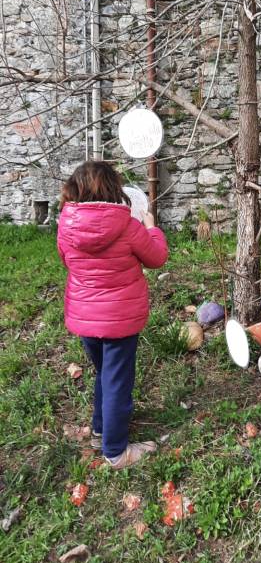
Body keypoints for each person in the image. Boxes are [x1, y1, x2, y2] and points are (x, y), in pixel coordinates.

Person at [57, 161, 168, 469]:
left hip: (84, 317)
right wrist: (152, 227)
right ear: (113, 189)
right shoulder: (129, 226)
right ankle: (116, 452)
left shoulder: (65, 225)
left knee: (105, 374)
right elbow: (157, 258)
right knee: (117, 382)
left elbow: (67, 260)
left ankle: (100, 430)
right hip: (120, 319)